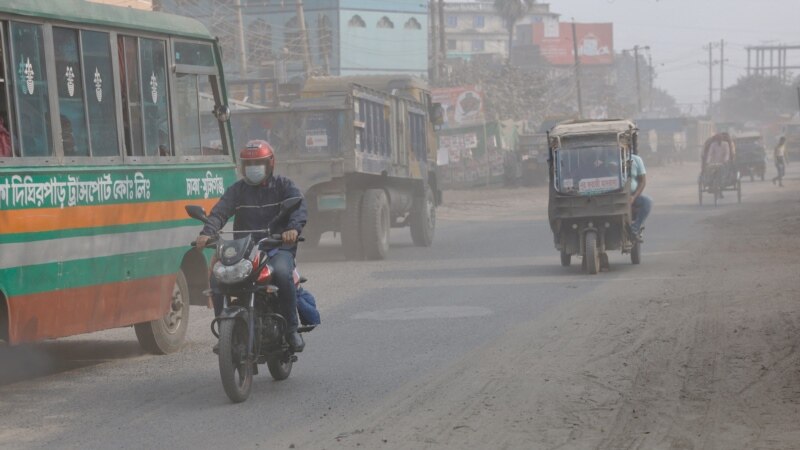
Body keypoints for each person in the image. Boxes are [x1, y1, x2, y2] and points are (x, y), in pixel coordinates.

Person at [195, 140, 308, 352]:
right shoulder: (237, 190)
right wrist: (207, 233)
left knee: (283, 273)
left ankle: (291, 329)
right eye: (249, 164)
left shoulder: (284, 186)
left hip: (276, 247)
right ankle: (225, 333)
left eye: (259, 163)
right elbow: (220, 212)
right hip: (244, 250)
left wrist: (292, 229)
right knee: (217, 277)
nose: (253, 168)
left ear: (270, 163)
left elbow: (299, 208)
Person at [629, 151, 651, 241]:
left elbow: (642, 181)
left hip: (632, 197)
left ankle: (635, 228)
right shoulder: (607, 159)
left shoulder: (636, 160)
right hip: (612, 197)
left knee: (647, 202)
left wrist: (633, 197)